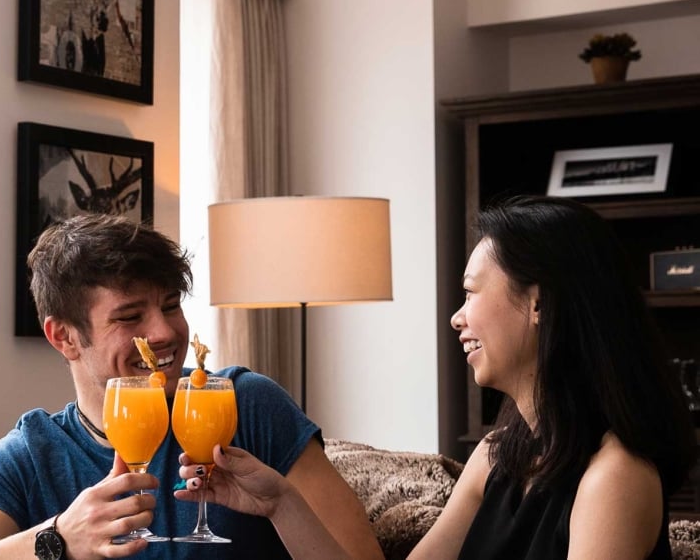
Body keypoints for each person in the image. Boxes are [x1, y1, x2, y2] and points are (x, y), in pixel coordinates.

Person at [178, 196, 696, 559]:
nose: (457, 316)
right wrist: (280, 503)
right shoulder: (495, 458)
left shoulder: (615, 477)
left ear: (539, 304)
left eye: (471, 292)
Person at [0, 214, 383, 559]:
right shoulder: (33, 454)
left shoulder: (244, 404)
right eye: (129, 316)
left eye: (171, 305)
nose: (164, 332)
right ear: (64, 337)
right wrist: (58, 539)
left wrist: (283, 506)